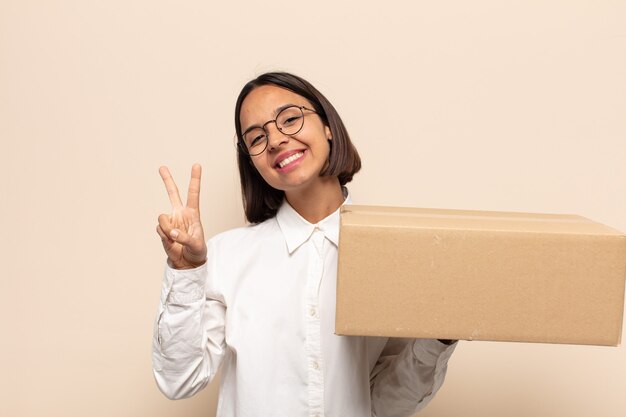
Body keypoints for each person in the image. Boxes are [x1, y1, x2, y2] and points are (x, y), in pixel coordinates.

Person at [152, 72, 457, 417]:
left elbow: (386, 404)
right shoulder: (226, 257)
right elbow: (179, 380)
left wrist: (440, 336)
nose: (276, 140)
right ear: (252, 162)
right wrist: (186, 272)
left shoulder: (390, 255)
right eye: (256, 138)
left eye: (290, 119)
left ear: (327, 126)